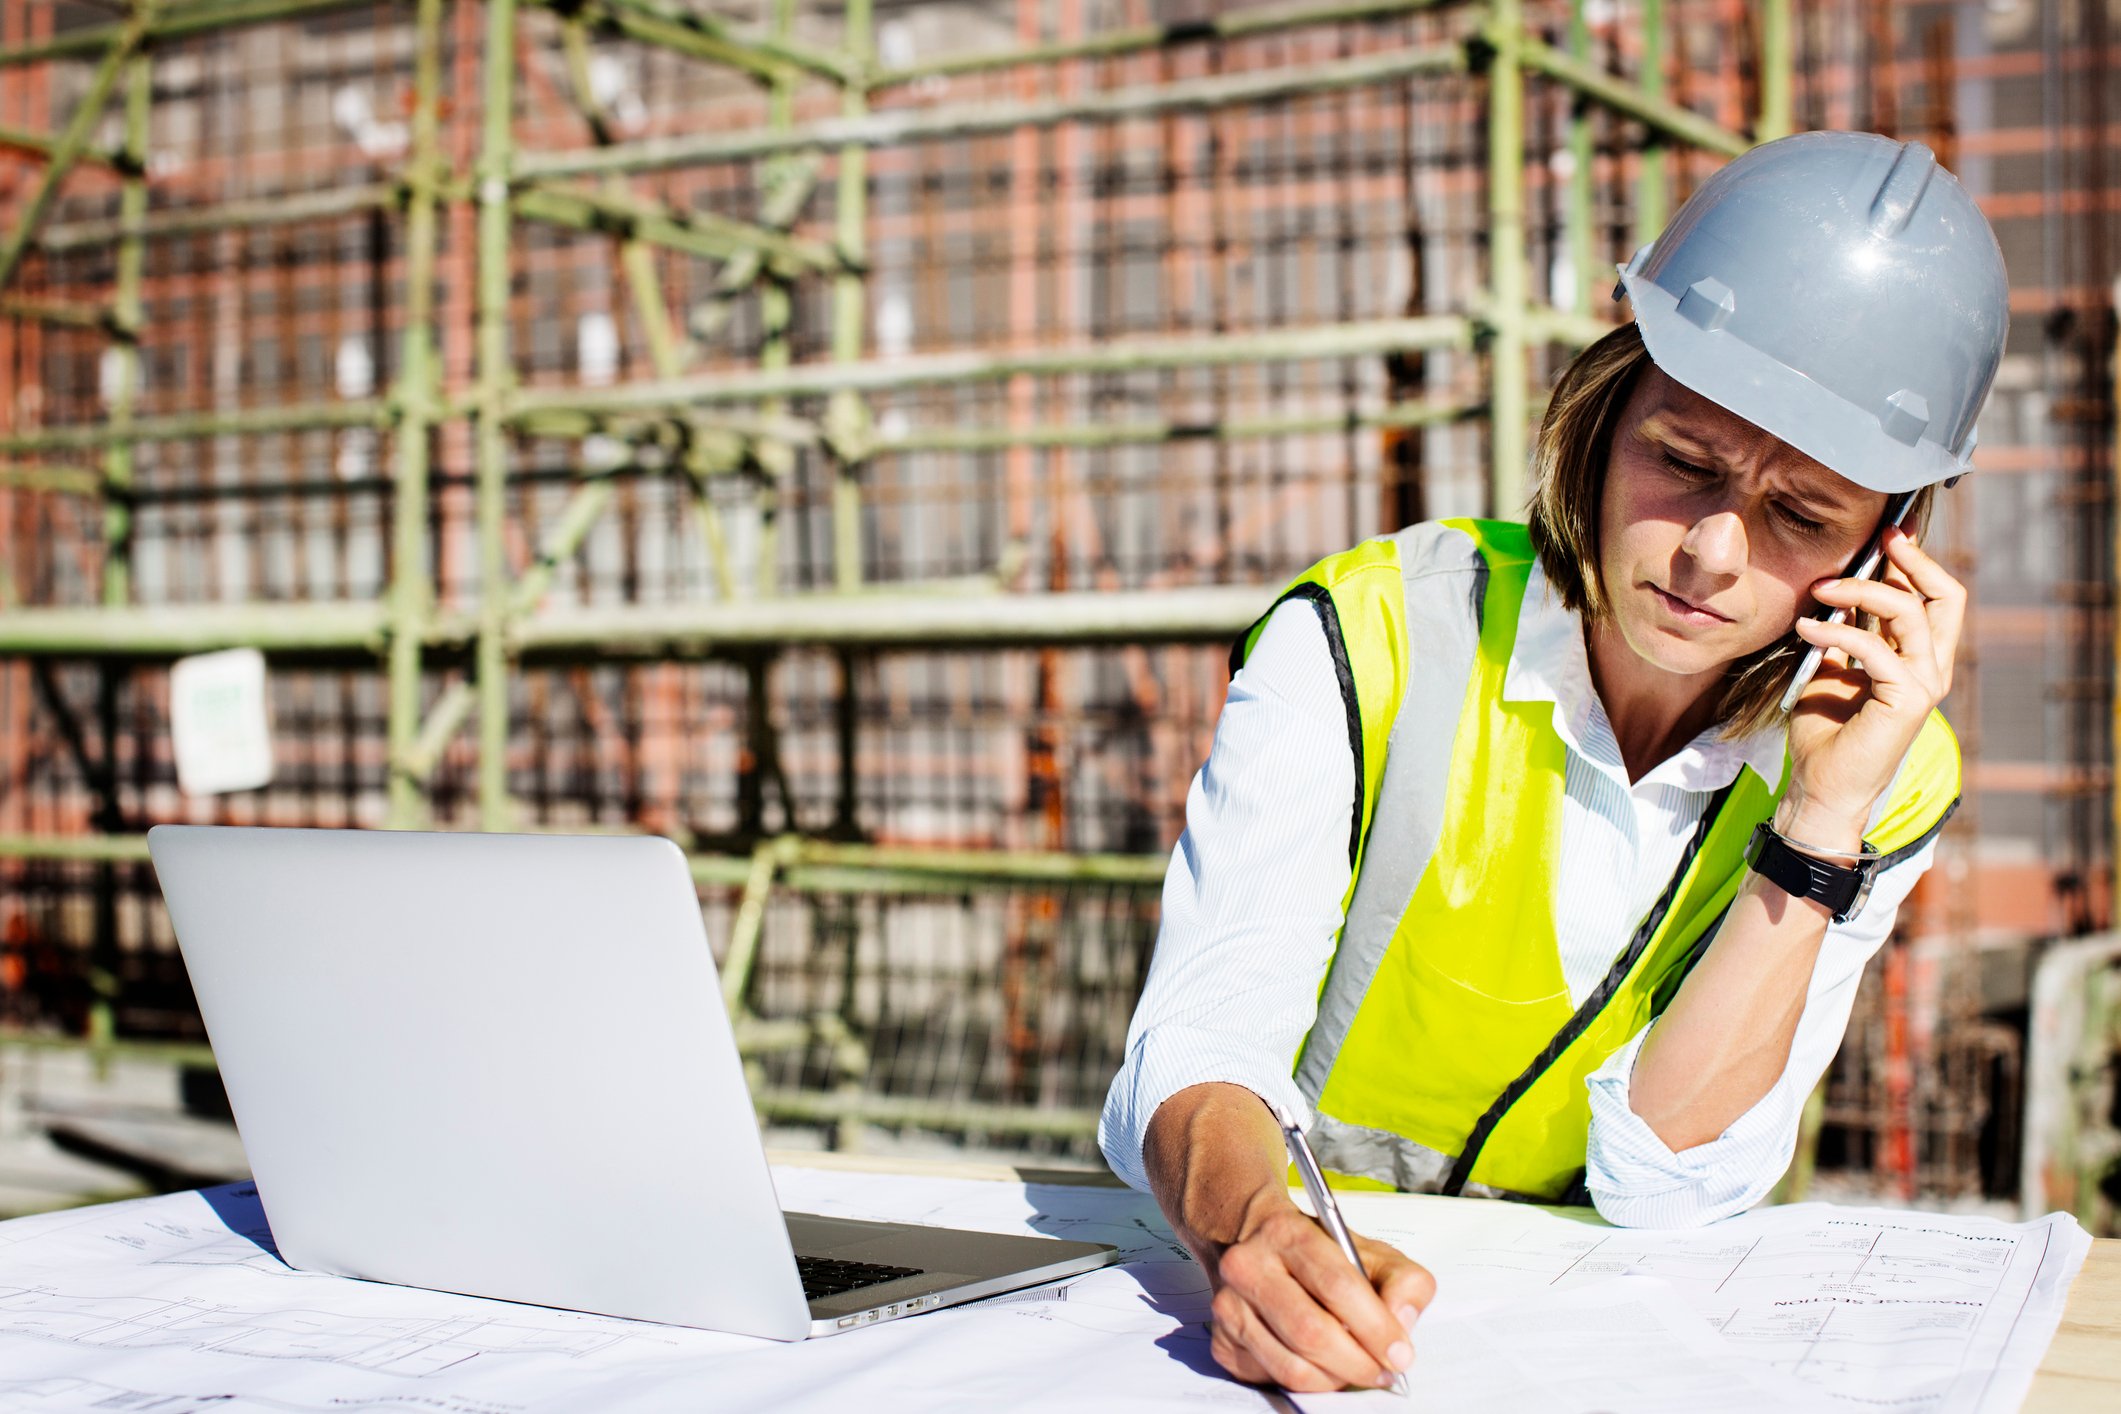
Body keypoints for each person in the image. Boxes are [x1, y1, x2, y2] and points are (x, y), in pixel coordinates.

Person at [1098, 131, 2010, 1394]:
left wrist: (1813, 835)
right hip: (1284, 1292)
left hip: (1588, 1350)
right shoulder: (1373, 633)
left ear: (1886, 549)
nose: (1711, 554)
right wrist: (1256, 1232)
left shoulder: (1886, 771)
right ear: (1605, 406)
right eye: (1680, 463)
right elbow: (1197, 1038)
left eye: (1803, 516)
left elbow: (1667, 1185)